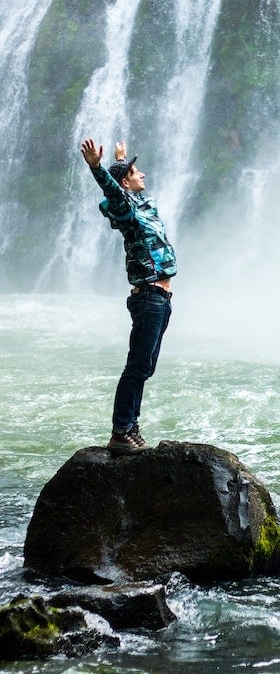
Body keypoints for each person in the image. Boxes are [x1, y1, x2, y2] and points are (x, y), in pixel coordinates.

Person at [80, 137, 177, 454]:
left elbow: (127, 191)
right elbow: (113, 195)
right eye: (137, 172)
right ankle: (121, 431)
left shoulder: (142, 206)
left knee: (145, 367)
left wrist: (121, 160)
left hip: (161, 299)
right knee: (136, 367)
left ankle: (130, 427)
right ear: (125, 182)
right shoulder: (126, 211)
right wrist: (97, 168)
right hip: (148, 296)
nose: (144, 174)